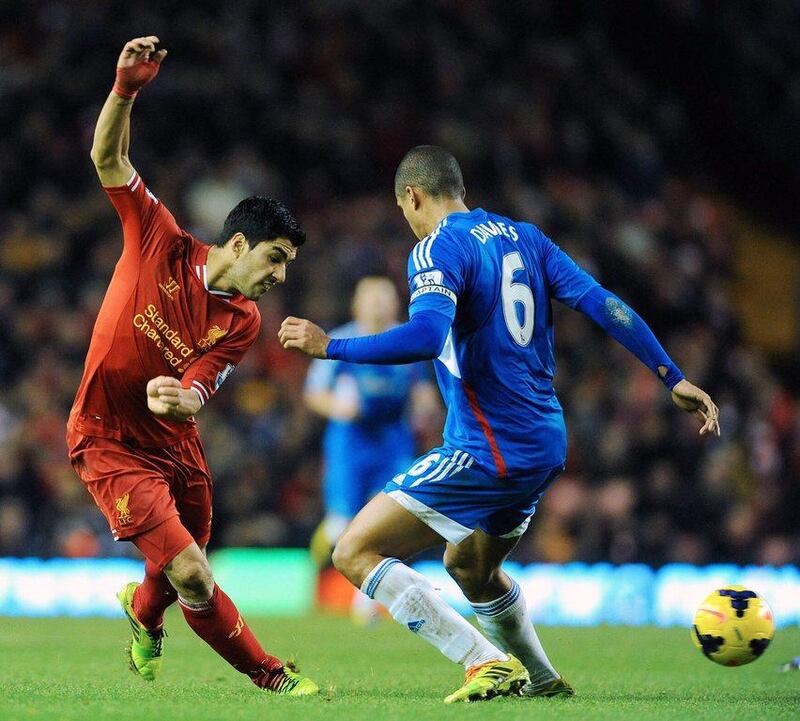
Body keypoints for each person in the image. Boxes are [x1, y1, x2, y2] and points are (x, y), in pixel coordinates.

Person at [279, 145, 721, 703]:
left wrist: (331, 346)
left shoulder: (437, 247)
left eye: (405, 210)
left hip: (487, 447)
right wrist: (671, 376)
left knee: (352, 550)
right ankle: (542, 679)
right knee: (469, 566)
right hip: (545, 444)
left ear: (412, 197)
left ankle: (483, 661)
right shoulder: (526, 237)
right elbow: (601, 301)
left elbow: (424, 337)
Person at [67, 36, 318, 696]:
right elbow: (107, 156)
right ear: (237, 243)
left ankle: (144, 617)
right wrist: (126, 87)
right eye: (274, 259)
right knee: (195, 574)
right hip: (108, 438)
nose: (279, 275)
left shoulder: (243, 321)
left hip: (176, 445)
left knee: (179, 569)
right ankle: (273, 677)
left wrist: (181, 399)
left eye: (286, 265)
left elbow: (200, 387)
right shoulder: (159, 238)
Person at [304, 276, 438, 622]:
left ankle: (365, 603)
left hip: (393, 442)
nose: (378, 304)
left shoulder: (407, 342)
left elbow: (422, 389)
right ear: (357, 304)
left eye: (385, 297)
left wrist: (426, 408)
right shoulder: (339, 340)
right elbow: (315, 392)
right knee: (340, 525)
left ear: (396, 304)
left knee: (384, 523)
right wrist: (338, 407)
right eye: (372, 297)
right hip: (349, 443)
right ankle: (315, 570)